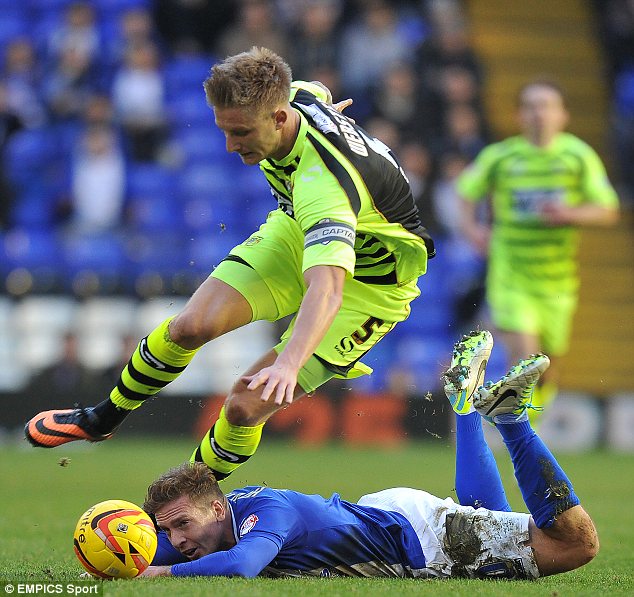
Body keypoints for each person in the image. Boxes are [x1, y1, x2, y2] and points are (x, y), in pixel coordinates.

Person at [25, 47, 435, 482]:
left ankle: (185, 505)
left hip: (371, 287)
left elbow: (328, 289)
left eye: (239, 132)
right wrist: (329, 109)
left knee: (243, 404)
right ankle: (100, 419)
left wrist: (289, 361)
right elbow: (315, 91)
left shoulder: (325, 185)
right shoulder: (294, 97)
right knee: (189, 327)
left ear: (278, 120)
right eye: (223, 130)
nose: (229, 145)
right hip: (297, 231)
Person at [136, 330, 598, 580]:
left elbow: (242, 566)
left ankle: (511, 421)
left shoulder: (266, 515)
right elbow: (157, 547)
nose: (176, 541)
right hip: (387, 518)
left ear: (218, 507)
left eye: (181, 525)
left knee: (575, 544)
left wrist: (160, 577)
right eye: (169, 529)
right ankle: (468, 409)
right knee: (492, 520)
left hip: (416, 540)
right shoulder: (222, 521)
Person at [455, 79, 620, 421]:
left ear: (563, 115)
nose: (539, 113)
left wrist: (569, 214)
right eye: (531, 106)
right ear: (519, 115)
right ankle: (523, 433)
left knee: (548, 364)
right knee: (527, 359)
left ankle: (530, 421)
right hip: (512, 274)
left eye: (547, 106)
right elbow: (465, 190)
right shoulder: (501, 157)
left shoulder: (577, 156)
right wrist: (472, 228)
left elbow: (608, 210)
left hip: (558, 281)